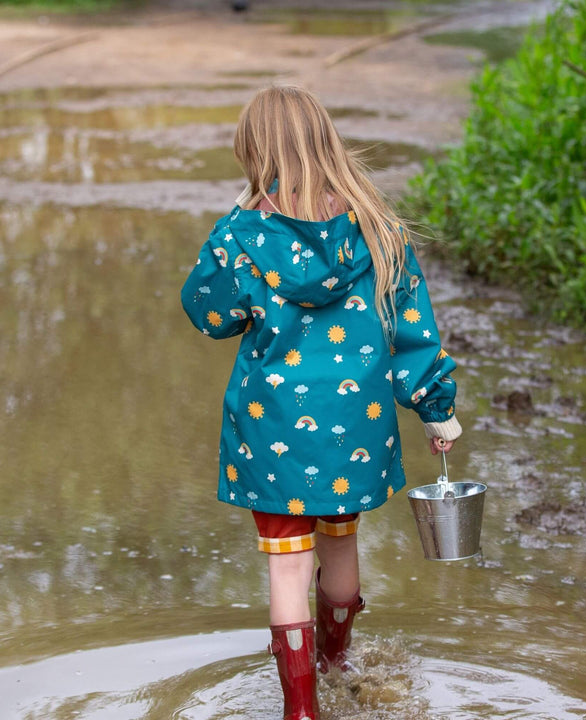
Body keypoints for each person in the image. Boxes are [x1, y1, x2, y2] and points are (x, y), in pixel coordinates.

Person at [181, 85, 461, 720]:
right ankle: (336, 668)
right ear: (326, 143)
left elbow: (209, 315)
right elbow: (411, 329)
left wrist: (230, 227)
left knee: (288, 571)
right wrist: (435, 406)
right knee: (340, 546)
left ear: (254, 153)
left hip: (271, 428)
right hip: (355, 428)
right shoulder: (379, 228)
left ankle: (301, 711)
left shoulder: (245, 234)